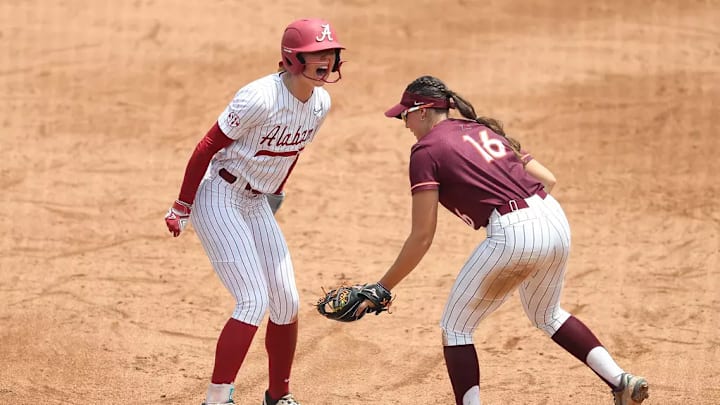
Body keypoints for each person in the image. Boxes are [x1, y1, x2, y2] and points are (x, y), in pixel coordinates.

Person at [357, 75, 649, 405]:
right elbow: (547, 179)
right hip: (553, 217)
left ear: (423, 111)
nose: (404, 124)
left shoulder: (425, 152)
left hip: (513, 231)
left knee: (456, 329)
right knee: (547, 315)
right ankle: (621, 380)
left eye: (404, 115)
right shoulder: (483, 129)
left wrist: (382, 287)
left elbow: (423, 236)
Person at [163, 18, 345, 405]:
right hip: (219, 195)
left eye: (330, 52)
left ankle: (279, 396)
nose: (325, 60)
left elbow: (291, 154)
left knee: (287, 300)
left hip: (255, 201)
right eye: (317, 53)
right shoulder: (258, 97)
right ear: (293, 57)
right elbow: (206, 146)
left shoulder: (320, 104)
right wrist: (182, 205)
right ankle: (216, 398)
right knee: (252, 299)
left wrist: (276, 192)